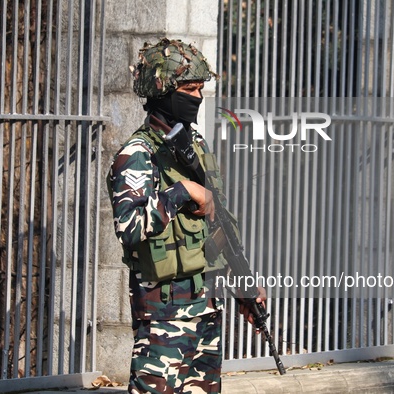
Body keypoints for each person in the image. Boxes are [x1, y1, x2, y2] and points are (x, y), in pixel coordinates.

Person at [107, 38, 264, 393]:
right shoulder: (137, 154)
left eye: (201, 89)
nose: (197, 97)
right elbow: (129, 228)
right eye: (190, 88)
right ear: (162, 91)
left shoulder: (196, 147)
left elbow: (217, 226)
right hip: (163, 316)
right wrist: (182, 192)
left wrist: (244, 285)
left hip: (205, 308)